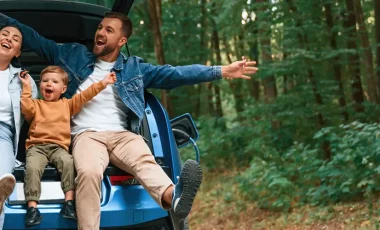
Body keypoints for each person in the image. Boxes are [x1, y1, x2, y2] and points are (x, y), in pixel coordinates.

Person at [0, 11, 258, 230]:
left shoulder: (135, 68)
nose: (100, 32)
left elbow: (175, 74)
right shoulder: (72, 55)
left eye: (108, 30)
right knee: (88, 172)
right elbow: (32, 37)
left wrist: (221, 71)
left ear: (121, 40)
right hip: (86, 135)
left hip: (122, 134)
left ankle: (174, 199)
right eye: (100, 27)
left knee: (144, 159)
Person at [19, 65, 116, 228]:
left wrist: (103, 82)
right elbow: (25, 107)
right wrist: (27, 86)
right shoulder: (36, 105)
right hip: (37, 146)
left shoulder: (68, 104)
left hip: (59, 147)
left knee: (69, 163)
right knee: (32, 168)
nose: (48, 84)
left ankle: (69, 203)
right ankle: (32, 209)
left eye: (54, 81)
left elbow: (86, 95)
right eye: (44, 81)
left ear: (63, 89)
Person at [0, 25, 38, 229]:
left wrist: (27, 90)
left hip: (3, 134)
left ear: (17, 52)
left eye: (15, 39)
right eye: (4, 34)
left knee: (3, 179)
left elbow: (37, 115)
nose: (8, 39)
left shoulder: (24, 80)